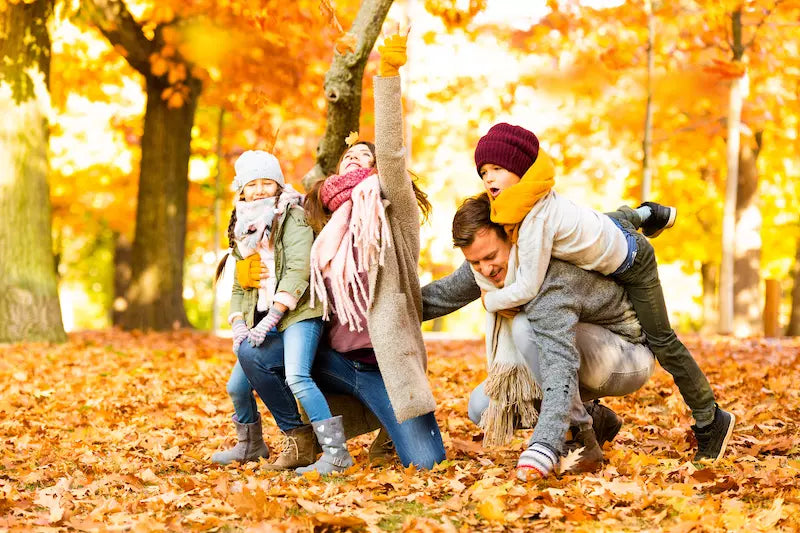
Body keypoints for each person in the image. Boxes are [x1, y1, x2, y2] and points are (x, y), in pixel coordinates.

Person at [235, 30, 446, 471]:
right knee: (254, 354)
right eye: (349, 156)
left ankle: (388, 424)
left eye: (364, 157)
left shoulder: (393, 213)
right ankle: (300, 437)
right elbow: (280, 250)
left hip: (385, 368)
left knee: (426, 464)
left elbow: (391, 150)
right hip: (332, 360)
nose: (356, 159)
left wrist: (387, 74)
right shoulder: (320, 223)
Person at [472, 123, 734, 462]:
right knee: (603, 221)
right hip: (605, 235)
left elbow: (528, 287)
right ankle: (645, 213)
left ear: (521, 170)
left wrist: (491, 301)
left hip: (632, 260)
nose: (489, 178)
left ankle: (711, 418)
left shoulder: (536, 220)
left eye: (497, 169)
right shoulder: (526, 206)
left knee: (663, 341)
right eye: (483, 172)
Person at [422, 193, 660, 479]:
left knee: (526, 327)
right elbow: (441, 296)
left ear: (511, 237)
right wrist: (378, 309)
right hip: (573, 351)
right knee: (482, 408)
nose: (486, 269)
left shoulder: (548, 271)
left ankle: (581, 436)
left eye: (490, 257)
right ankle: (594, 418)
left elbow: (559, 362)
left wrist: (545, 443)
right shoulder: (488, 270)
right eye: (475, 263)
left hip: (624, 355)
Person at [211, 150, 340, 470]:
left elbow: (299, 270)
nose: (258, 190)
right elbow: (242, 285)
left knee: (297, 377)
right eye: (251, 184)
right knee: (236, 387)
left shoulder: (292, 215)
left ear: (279, 185)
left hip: (298, 313)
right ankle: (251, 445)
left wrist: (273, 315)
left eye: (266, 183)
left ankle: (335, 452)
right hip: (261, 318)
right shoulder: (243, 224)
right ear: (240, 190)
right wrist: (238, 321)